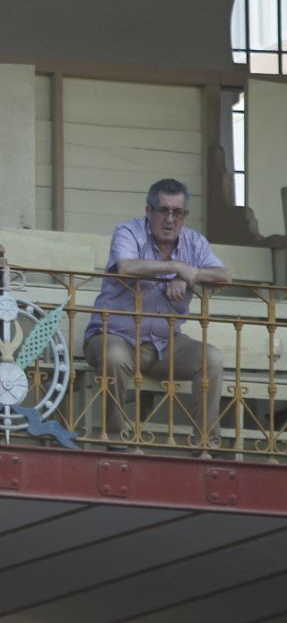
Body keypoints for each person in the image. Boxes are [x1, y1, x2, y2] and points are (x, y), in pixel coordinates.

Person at [84, 178, 230, 450]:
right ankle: (118, 442)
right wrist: (177, 267)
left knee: (211, 358)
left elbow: (223, 276)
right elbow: (126, 267)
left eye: (178, 212)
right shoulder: (129, 231)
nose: (170, 219)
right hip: (115, 336)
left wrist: (190, 277)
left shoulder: (194, 242)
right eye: (163, 210)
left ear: (185, 215)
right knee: (114, 355)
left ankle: (206, 446)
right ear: (149, 210)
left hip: (166, 344)